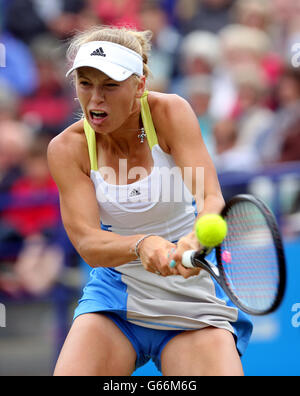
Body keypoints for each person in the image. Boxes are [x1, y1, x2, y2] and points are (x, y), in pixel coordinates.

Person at [48, 26, 252, 376]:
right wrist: (142, 245)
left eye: (110, 86)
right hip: (115, 299)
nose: (95, 98)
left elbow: (210, 198)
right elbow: (87, 242)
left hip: (190, 295)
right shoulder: (67, 148)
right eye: (85, 83)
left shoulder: (170, 112)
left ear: (139, 85)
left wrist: (196, 239)